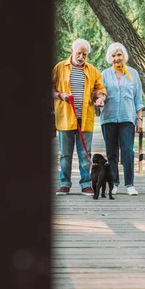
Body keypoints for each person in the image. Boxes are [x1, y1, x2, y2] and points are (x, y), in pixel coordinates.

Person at [52, 39, 107, 195]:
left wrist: (100, 98)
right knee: (65, 154)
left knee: (85, 154)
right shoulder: (59, 68)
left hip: (85, 118)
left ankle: (86, 184)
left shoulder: (92, 70)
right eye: (79, 53)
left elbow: (99, 89)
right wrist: (60, 95)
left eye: (84, 54)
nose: (81, 57)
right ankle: (64, 184)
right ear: (72, 51)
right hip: (65, 117)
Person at [100, 42, 145, 196]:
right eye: (113, 56)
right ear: (110, 58)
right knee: (111, 153)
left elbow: (138, 98)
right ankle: (114, 184)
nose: (116, 58)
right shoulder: (104, 74)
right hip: (109, 117)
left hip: (127, 117)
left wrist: (139, 119)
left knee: (128, 151)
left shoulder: (134, 74)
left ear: (124, 56)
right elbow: (99, 93)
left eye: (119, 55)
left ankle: (130, 184)